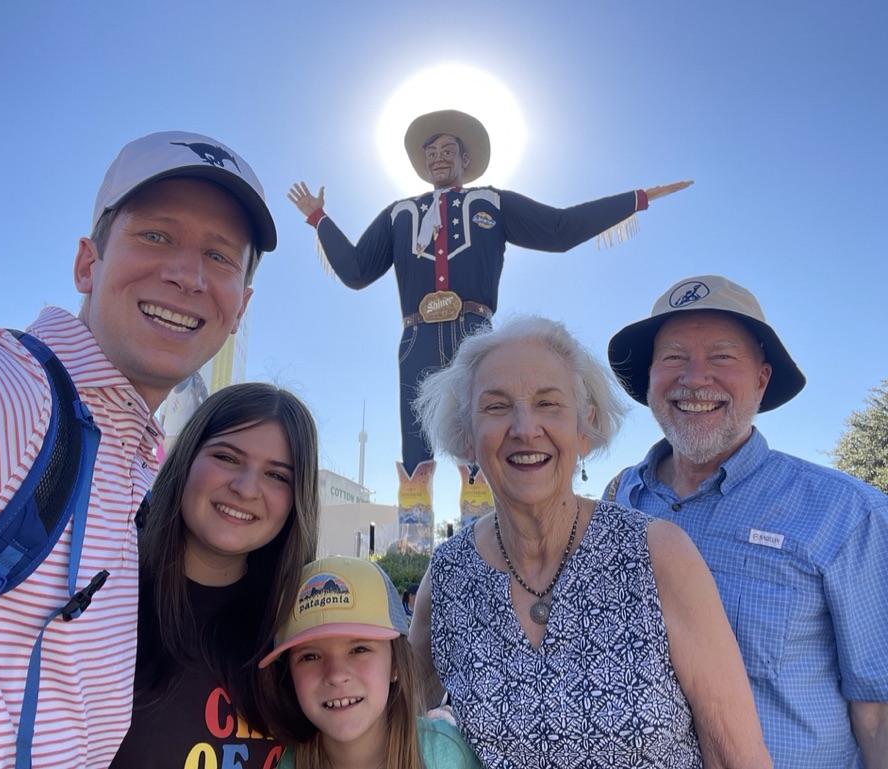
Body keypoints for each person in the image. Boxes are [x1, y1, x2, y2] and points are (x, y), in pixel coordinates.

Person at [0, 131, 278, 767]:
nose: (188, 275)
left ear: (241, 306)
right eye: (157, 235)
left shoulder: (135, 468)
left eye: (221, 257)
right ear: (88, 263)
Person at [289, 108, 691, 535]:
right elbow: (355, 269)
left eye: (448, 150)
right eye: (431, 152)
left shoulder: (491, 203)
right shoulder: (399, 214)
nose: (439, 158)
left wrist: (637, 199)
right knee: (414, 448)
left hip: (472, 335)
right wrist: (319, 218)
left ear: (465, 159)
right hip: (416, 336)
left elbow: (560, 227)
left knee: (483, 437)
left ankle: (482, 544)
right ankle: (412, 548)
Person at [409, 315, 772, 768]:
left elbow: (736, 755)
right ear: (467, 436)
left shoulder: (658, 554)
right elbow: (391, 732)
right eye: (497, 407)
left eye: (549, 404)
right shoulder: (448, 578)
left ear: (584, 428)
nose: (525, 427)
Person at [606, 275, 888, 769]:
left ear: (760, 380)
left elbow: (879, 714)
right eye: (673, 357)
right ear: (650, 377)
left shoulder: (848, 515)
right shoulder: (616, 502)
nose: (694, 378)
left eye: (722, 357)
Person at [111, 382, 320, 768]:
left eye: (277, 476)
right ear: (186, 458)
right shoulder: (104, 596)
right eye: (226, 457)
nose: (245, 488)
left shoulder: (300, 631)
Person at [258, 556, 480, 769]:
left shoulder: (451, 753)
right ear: (289, 675)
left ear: (395, 664)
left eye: (359, 649)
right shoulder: (278, 761)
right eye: (310, 656)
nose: (336, 675)